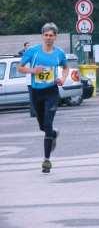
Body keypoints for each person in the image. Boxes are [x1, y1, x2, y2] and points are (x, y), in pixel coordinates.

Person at [18, 22, 68, 173]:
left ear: (55, 37)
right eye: (46, 35)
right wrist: (33, 70)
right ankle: (53, 133)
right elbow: (20, 68)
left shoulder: (59, 53)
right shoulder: (33, 51)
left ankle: (46, 160)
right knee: (43, 126)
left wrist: (63, 79)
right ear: (42, 36)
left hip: (52, 91)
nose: (48, 38)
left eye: (51, 35)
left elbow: (65, 67)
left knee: (47, 123)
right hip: (36, 92)